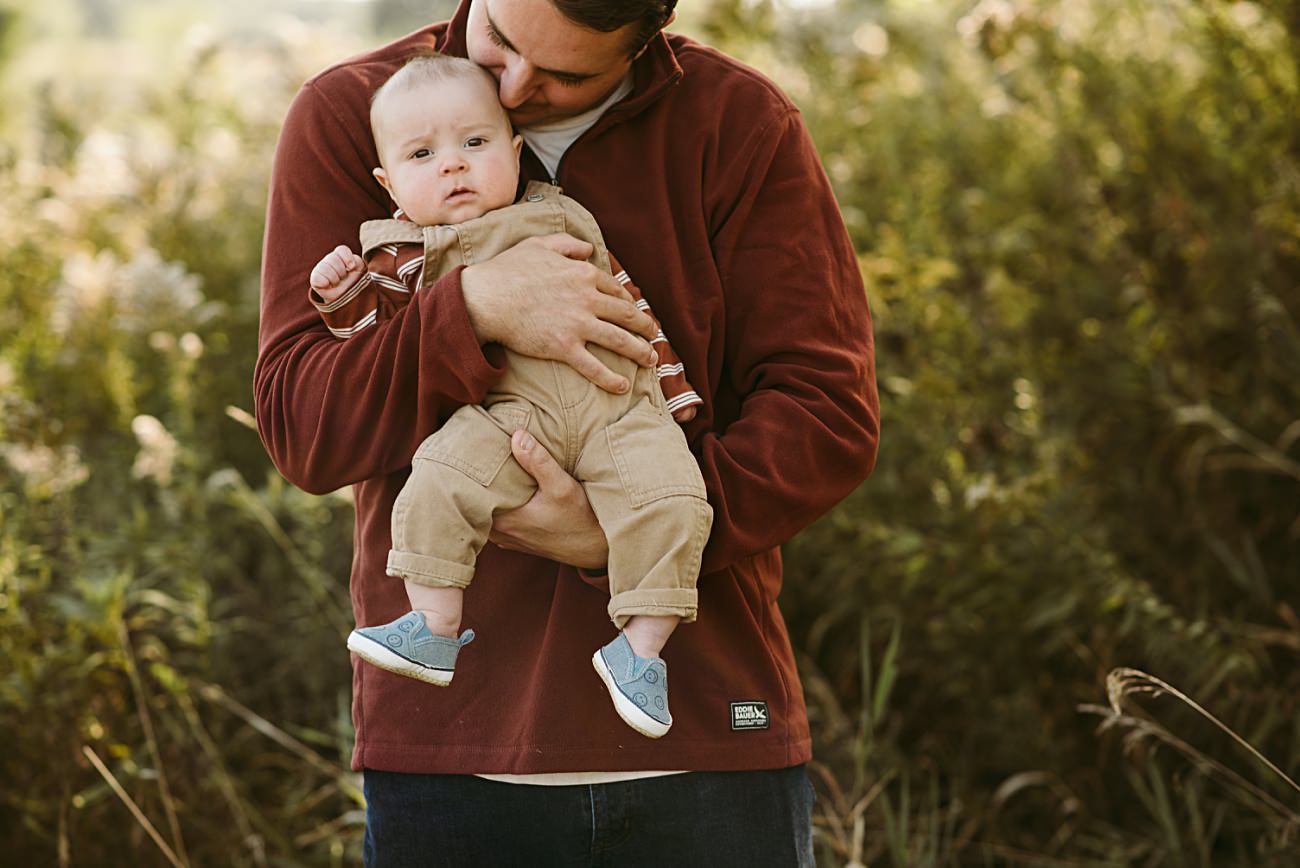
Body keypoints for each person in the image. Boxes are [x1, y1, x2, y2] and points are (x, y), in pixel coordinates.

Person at [255, 0, 880, 863]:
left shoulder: (738, 124)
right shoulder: (357, 113)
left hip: (708, 741)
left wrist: (609, 539)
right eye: (501, 42)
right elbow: (301, 425)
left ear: (645, 38)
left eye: (567, 74)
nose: (511, 87)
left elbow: (826, 414)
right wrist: (474, 308)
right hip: (451, 751)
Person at [308, 54, 710, 740]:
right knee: (442, 476)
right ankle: (434, 624)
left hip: (618, 406)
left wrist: (672, 395)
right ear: (390, 184)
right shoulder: (406, 253)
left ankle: (640, 651)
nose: (453, 166)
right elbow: (370, 346)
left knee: (677, 500)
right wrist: (338, 292)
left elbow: (631, 307)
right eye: (423, 154)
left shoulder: (561, 218)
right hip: (510, 414)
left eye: (474, 143)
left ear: (516, 152)